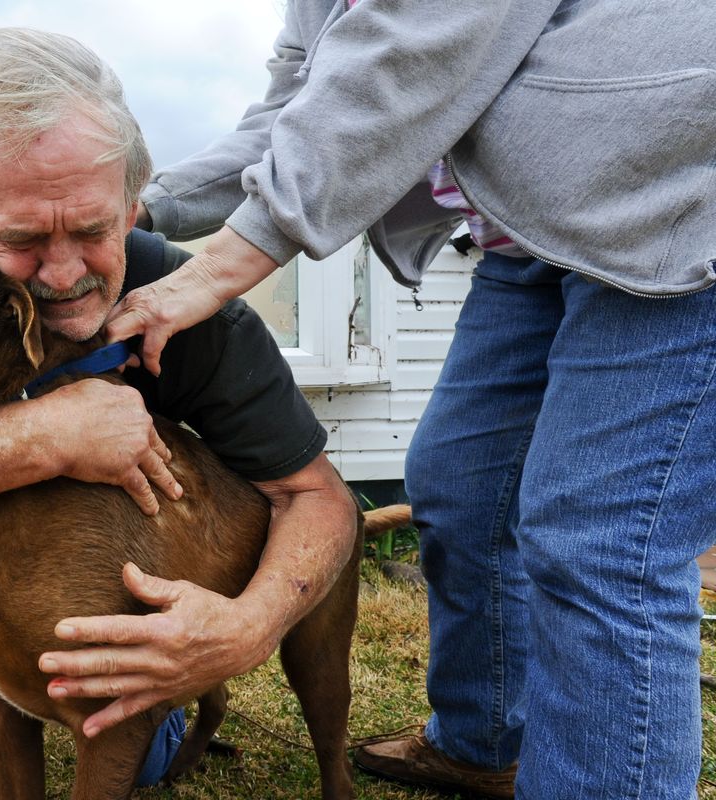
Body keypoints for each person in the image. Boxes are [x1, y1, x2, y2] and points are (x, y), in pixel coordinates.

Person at [105, 1, 716, 798]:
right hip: (532, 236)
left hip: (671, 203)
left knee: (601, 542)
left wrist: (217, 267)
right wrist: (132, 211)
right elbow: (303, 109)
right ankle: (482, 741)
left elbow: (418, 50)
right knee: (463, 488)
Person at [0, 27, 360, 799]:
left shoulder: (195, 310)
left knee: (125, 753)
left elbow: (318, 496)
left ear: (131, 204)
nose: (65, 271)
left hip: (115, 587)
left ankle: (165, 713)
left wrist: (247, 627)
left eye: (90, 229)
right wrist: (49, 435)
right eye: (21, 239)